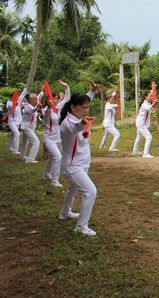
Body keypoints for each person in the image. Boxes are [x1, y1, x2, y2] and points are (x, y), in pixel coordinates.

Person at [58, 82, 98, 237]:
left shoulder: (77, 112)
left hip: (81, 164)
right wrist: (83, 122)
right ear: (73, 107)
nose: (86, 110)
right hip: (72, 166)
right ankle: (81, 227)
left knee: (73, 189)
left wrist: (92, 91)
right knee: (91, 191)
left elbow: (84, 103)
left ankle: (65, 213)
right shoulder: (67, 124)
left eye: (88, 107)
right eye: (83, 108)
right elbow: (75, 126)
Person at [42, 80, 70, 187]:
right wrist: (49, 107)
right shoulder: (46, 110)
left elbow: (67, 99)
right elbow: (47, 115)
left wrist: (66, 87)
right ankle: (55, 181)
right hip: (49, 139)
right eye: (54, 98)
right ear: (49, 99)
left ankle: (46, 174)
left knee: (52, 158)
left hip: (58, 138)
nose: (56, 100)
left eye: (57, 98)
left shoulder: (58, 108)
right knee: (58, 157)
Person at [132, 82, 157, 158]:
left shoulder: (147, 102)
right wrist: (154, 103)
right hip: (141, 124)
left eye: (151, 96)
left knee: (138, 136)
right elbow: (148, 108)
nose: (151, 97)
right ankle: (145, 154)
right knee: (149, 137)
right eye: (150, 96)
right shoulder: (144, 104)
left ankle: (135, 151)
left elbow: (152, 93)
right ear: (145, 97)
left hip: (140, 123)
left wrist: (153, 87)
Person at [19, 90, 41, 163]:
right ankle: (30, 159)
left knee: (25, 142)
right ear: (30, 100)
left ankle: (22, 156)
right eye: (34, 99)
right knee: (36, 142)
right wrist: (37, 107)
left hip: (28, 127)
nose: (36, 100)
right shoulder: (27, 106)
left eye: (36, 98)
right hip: (26, 127)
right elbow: (32, 111)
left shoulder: (31, 105)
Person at [6, 87, 27, 154]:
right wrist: (15, 104)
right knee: (17, 134)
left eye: (17, 97)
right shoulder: (9, 102)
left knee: (13, 134)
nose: (17, 98)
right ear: (12, 97)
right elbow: (9, 107)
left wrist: (25, 88)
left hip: (18, 121)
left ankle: (10, 147)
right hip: (11, 122)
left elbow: (23, 95)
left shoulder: (19, 101)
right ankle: (15, 150)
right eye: (16, 97)